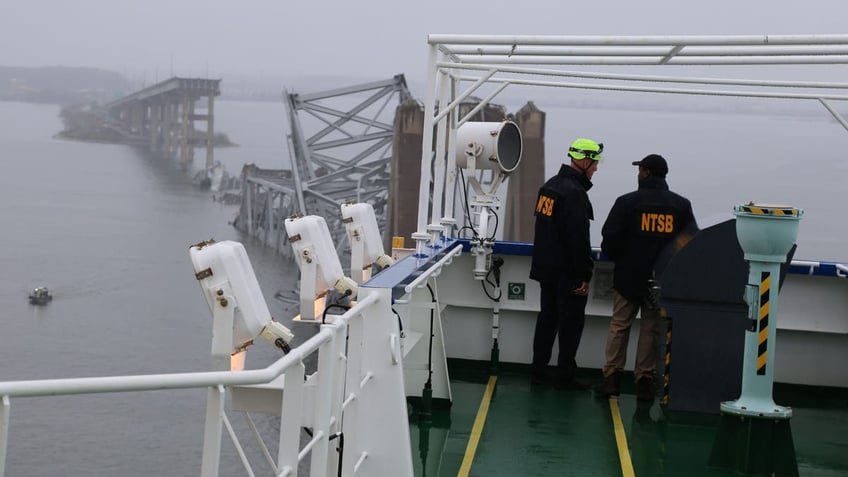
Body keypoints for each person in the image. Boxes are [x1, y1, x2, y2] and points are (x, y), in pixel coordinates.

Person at [595, 154, 696, 401]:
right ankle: (644, 382)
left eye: (640, 169)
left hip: (628, 277)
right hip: (661, 280)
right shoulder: (681, 206)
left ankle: (611, 380)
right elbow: (690, 240)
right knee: (650, 331)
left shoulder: (627, 202)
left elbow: (609, 238)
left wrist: (625, 259)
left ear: (647, 173)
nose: (638, 173)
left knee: (619, 326)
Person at [529, 137, 602, 389]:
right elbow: (578, 239)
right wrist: (584, 274)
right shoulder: (574, 193)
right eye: (594, 163)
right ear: (583, 160)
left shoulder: (549, 187)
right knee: (570, 326)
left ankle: (538, 373)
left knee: (547, 321)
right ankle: (565, 378)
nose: (595, 168)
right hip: (567, 272)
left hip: (546, 269)